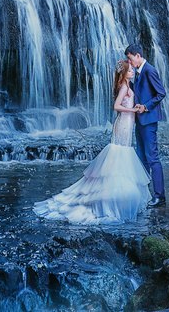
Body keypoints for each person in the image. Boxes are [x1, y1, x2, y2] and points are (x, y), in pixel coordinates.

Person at [33, 59, 150, 223]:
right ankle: (111, 197)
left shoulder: (128, 86)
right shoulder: (124, 87)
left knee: (124, 153)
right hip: (123, 123)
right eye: (129, 70)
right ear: (123, 74)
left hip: (128, 123)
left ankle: (119, 195)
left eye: (132, 69)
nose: (132, 71)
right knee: (121, 153)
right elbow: (116, 106)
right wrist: (132, 110)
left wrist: (136, 109)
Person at [124, 42, 166, 207]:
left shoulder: (149, 70)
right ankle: (144, 193)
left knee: (153, 158)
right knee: (142, 158)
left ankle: (159, 196)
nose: (130, 63)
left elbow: (161, 92)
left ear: (138, 56)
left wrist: (146, 106)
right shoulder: (139, 72)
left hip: (148, 121)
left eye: (130, 59)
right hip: (139, 121)